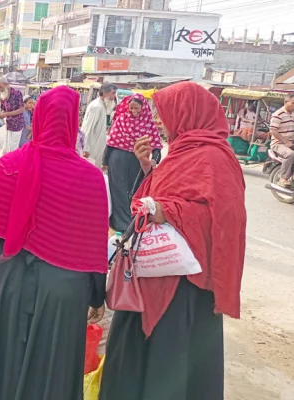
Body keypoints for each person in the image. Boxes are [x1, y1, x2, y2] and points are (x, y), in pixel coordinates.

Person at [99, 82, 246, 400]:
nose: (158, 119)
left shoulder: (214, 158)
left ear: (187, 113)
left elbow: (226, 219)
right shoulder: (181, 150)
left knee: (170, 370)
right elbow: (161, 196)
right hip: (151, 278)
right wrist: (148, 169)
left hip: (184, 291)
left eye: (164, 112)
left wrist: (172, 212)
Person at [0, 86, 108, 400]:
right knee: (52, 370)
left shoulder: (11, 165)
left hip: (13, 280)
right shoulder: (90, 177)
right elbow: (95, 242)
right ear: (73, 122)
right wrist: (97, 297)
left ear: (39, 118)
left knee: (4, 363)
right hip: (64, 290)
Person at [102, 94, 162, 232]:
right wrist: (105, 161)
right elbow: (111, 142)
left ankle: (132, 221)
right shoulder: (121, 119)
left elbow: (157, 146)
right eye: (131, 108)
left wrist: (154, 160)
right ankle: (119, 223)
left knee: (135, 190)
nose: (134, 111)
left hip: (138, 160)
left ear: (143, 108)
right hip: (118, 158)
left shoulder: (148, 123)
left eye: (137, 108)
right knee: (118, 190)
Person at [82, 83, 117, 166]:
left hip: (96, 149)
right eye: (113, 93)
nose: (114, 97)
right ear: (105, 93)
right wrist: (85, 149)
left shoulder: (102, 106)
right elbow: (88, 128)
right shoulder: (97, 107)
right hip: (90, 150)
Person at [268, 94, 294, 187]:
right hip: (278, 144)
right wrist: (285, 141)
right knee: (290, 154)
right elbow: (273, 130)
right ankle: (283, 178)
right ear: (286, 102)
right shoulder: (278, 114)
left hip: (291, 142)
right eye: (293, 103)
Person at [0, 76, 25, 153]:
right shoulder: (3, 96)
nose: (0, 89)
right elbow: (3, 110)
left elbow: (22, 109)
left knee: (13, 148)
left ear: (5, 84)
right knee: (6, 148)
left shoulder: (17, 93)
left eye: (0, 87)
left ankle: (13, 164)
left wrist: (6, 114)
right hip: (9, 124)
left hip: (17, 124)